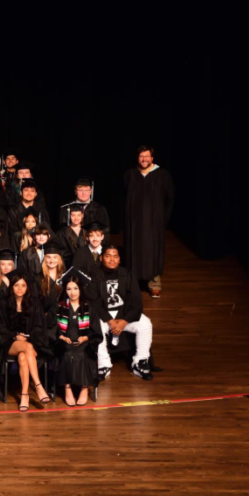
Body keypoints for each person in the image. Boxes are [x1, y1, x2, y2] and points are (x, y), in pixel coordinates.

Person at [90, 245, 155, 381]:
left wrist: (124, 321)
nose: (112, 259)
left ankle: (140, 362)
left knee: (145, 323)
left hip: (124, 316)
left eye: (115, 256)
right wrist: (111, 320)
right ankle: (104, 364)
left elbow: (137, 302)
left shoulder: (127, 274)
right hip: (104, 317)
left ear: (119, 259)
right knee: (96, 326)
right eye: (108, 256)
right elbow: (93, 301)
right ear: (101, 258)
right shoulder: (95, 275)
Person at [124, 145, 175, 298]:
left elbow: (170, 199)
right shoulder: (130, 175)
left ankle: (154, 283)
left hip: (154, 222)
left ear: (152, 158)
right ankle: (132, 283)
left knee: (154, 251)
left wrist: (162, 219)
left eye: (147, 156)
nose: (144, 159)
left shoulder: (162, 175)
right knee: (133, 249)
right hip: (134, 222)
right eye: (141, 156)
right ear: (137, 158)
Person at [0, 271, 51, 412]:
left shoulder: (34, 304)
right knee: (27, 348)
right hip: (9, 342)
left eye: (23, 285)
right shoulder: (3, 303)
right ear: (11, 287)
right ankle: (38, 385)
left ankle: (25, 395)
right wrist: (15, 336)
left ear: (28, 287)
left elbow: (39, 327)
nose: (20, 288)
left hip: (30, 341)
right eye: (16, 285)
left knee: (22, 357)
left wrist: (27, 337)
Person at [54, 269, 102, 406]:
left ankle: (84, 387)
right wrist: (62, 338)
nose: (72, 292)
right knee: (67, 353)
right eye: (69, 289)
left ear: (81, 289)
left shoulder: (90, 308)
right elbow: (52, 329)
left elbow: (96, 332)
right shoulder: (59, 307)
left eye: (75, 288)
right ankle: (67, 387)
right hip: (64, 342)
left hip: (85, 343)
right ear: (65, 290)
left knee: (83, 353)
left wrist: (85, 338)